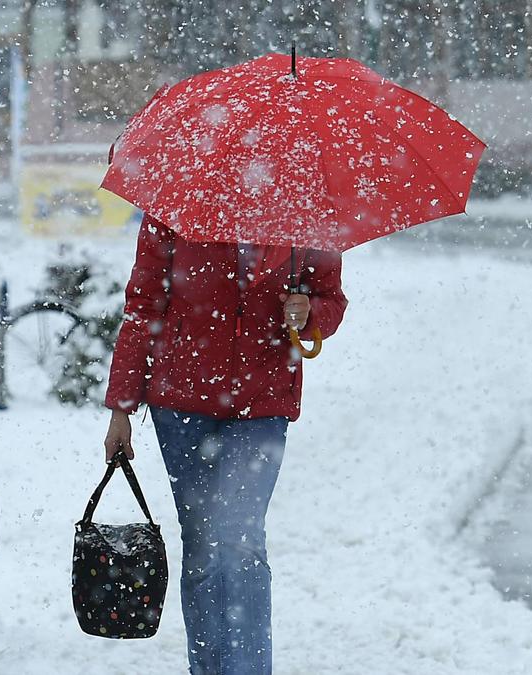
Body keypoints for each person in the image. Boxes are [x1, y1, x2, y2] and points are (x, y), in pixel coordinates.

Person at [102, 214, 348, 674]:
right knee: (201, 547)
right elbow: (144, 305)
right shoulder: (177, 203)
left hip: (262, 402)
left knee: (239, 539)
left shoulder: (304, 208)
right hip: (181, 404)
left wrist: (309, 312)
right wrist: (121, 406)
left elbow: (331, 300)